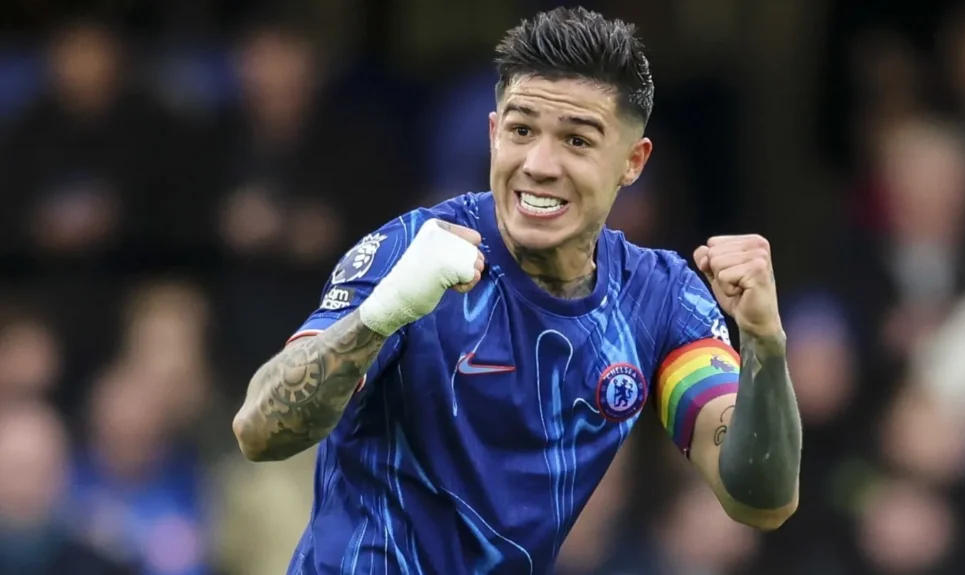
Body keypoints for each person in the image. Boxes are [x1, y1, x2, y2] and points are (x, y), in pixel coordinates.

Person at [232, 7, 802, 574]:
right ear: (493, 133)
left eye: (577, 140)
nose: (540, 164)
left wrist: (764, 344)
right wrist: (381, 315)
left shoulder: (660, 298)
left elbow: (759, 501)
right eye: (521, 130)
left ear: (633, 162)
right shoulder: (412, 248)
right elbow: (257, 430)